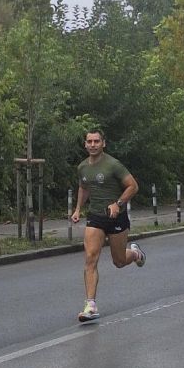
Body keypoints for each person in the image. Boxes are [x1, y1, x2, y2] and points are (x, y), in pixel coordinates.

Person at [72, 129, 146, 322]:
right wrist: (78, 209)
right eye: (89, 141)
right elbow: (84, 187)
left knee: (119, 261)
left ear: (103, 143)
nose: (93, 144)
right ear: (85, 144)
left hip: (116, 217)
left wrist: (118, 204)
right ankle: (91, 305)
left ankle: (135, 253)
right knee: (90, 258)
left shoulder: (113, 165)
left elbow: (133, 186)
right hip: (96, 217)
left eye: (97, 141)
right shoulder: (82, 167)